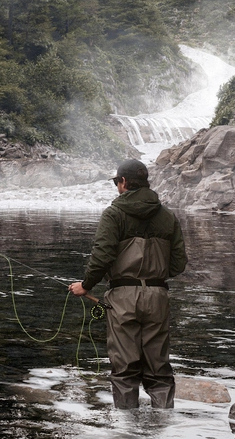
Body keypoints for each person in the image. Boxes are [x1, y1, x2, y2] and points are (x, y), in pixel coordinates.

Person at [69, 159, 187, 410]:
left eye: (116, 182)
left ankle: (127, 430)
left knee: (124, 368)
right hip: (158, 296)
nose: (116, 186)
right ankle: (165, 426)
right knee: (159, 368)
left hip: (123, 297)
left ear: (123, 182)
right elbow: (178, 265)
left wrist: (85, 286)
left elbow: (102, 256)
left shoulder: (114, 214)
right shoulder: (168, 216)